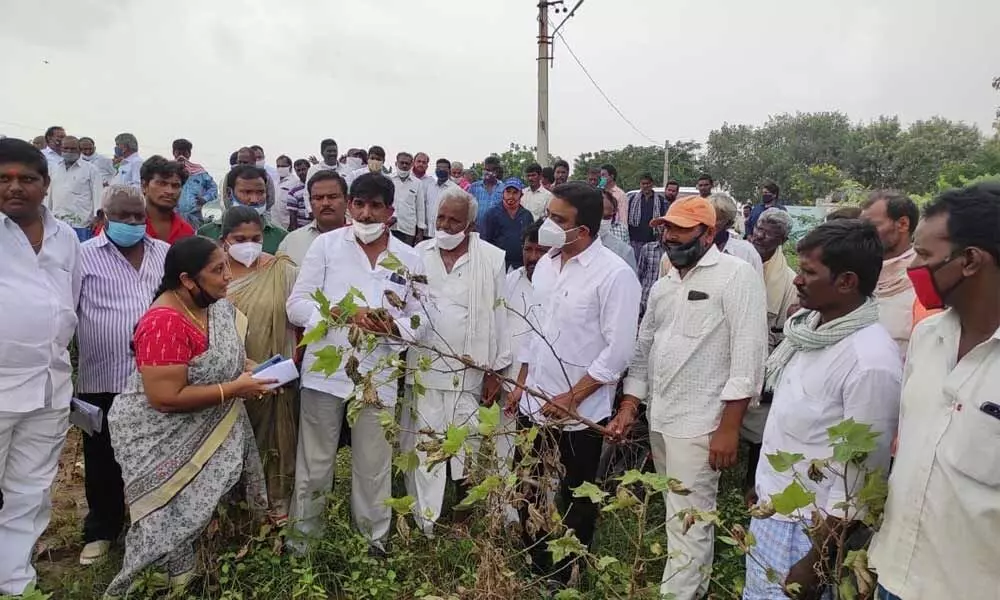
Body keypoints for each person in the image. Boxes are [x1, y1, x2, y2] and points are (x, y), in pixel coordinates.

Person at [102, 236, 275, 598]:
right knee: (165, 511)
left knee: (201, 511)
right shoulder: (163, 322)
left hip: (209, 418)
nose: (228, 276)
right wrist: (234, 390)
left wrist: (251, 370)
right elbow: (166, 397)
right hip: (158, 435)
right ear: (187, 280)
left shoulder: (214, 307)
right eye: (217, 270)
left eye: (226, 265)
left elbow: (217, 360)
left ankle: (198, 573)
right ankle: (155, 583)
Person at [618, 196, 767, 600]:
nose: (670, 236)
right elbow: (645, 345)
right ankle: (687, 586)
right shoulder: (666, 283)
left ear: (709, 233)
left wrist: (729, 428)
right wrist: (631, 403)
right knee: (676, 514)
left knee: (690, 519)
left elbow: (749, 355)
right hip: (662, 418)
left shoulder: (735, 276)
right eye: (667, 229)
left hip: (702, 422)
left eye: (681, 229)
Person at [745, 220, 901, 599]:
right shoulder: (808, 330)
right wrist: (762, 483)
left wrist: (816, 560)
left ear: (846, 282)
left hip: (808, 530)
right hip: (776, 508)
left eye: (809, 272)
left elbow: (859, 479)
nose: (797, 280)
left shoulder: (868, 362)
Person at [869, 183, 1000, 600]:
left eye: (924, 257)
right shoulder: (927, 337)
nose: (913, 269)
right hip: (894, 574)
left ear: (970, 261)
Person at [505, 182, 640, 585]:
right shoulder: (546, 264)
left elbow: (617, 354)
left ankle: (567, 575)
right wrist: (522, 383)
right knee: (529, 487)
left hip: (579, 415)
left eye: (557, 219)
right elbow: (535, 331)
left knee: (574, 496)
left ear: (583, 230)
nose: (547, 224)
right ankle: (535, 562)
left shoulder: (615, 276)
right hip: (534, 404)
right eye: (548, 214)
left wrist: (572, 398)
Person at [286, 172, 425, 553]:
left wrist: (391, 325)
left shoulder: (410, 257)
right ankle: (303, 544)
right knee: (315, 463)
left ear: (390, 212)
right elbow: (297, 305)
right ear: (350, 207)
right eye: (359, 205)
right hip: (325, 372)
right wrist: (338, 314)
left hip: (377, 375)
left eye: (375, 206)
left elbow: (421, 320)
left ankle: (373, 543)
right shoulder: (326, 247)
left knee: (373, 464)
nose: (365, 213)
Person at [0, 139, 81, 596]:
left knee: (30, 493)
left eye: (27, 179)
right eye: (4, 179)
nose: (16, 188)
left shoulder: (65, 237)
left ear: (45, 186)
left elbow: (66, 304)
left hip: (49, 386)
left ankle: (15, 582)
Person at [75, 185, 169, 566]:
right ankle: (102, 530)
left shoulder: (164, 254)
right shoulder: (82, 257)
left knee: (155, 453)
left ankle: (151, 527)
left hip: (157, 376)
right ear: (103, 218)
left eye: (137, 217)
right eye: (122, 217)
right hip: (102, 376)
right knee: (102, 458)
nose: (132, 223)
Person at [407, 189, 509, 535]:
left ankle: (463, 518)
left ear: (470, 224)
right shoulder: (418, 254)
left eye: (454, 220)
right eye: (441, 218)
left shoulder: (492, 259)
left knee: (467, 446)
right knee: (425, 447)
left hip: (470, 371)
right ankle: (427, 523)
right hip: (423, 370)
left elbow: (500, 317)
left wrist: (495, 370)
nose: (446, 226)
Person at [221, 206, 300, 519]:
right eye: (240, 238)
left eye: (255, 237)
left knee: (275, 438)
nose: (249, 244)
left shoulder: (281, 270)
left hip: (274, 374)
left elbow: (300, 320)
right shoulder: (211, 272)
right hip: (228, 375)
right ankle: (234, 511)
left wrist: (290, 366)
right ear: (224, 239)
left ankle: (276, 506)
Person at [743, 207, 798, 497]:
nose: (760, 235)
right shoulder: (737, 260)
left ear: (782, 239)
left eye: (769, 233)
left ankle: (753, 485)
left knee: (758, 424)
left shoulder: (788, 280)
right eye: (759, 228)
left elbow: (786, 330)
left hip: (766, 355)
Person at [498, 219, 548, 498]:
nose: (533, 258)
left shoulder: (557, 287)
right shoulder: (509, 281)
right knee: (505, 446)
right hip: (507, 381)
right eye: (529, 249)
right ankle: (507, 510)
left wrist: (524, 384)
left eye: (541, 251)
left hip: (543, 389)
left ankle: (538, 509)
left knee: (538, 455)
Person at [860, 190, 920, 358]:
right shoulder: (856, 273)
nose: (863, 233)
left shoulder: (925, 277)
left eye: (871, 226)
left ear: (902, 224)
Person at [199, 165, 288, 254]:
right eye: (247, 192)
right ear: (230, 193)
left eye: (260, 192)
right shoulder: (206, 233)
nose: (254, 200)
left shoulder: (281, 236)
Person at [278, 170, 348, 265]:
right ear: (310, 203)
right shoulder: (291, 242)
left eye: (333, 197)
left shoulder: (364, 238)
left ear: (347, 200)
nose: (325, 203)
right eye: (318, 198)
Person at [48, 135, 104, 241]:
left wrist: (97, 217)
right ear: (61, 149)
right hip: (57, 222)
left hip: (81, 224)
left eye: (72, 149)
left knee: (81, 255)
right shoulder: (54, 168)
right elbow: (49, 194)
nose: (69, 151)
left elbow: (98, 194)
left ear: (79, 150)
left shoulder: (91, 169)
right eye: (66, 148)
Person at [480, 177, 535, 271]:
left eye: (515, 192)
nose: (511, 196)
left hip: (520, 266)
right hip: (497, 265)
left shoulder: (527, 215)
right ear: (503, 193)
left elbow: (530, 241)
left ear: (521, 195)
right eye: (508, 191)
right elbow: (484, 242)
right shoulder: (492, 214)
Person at [708, 192, 763, 276]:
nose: (708, 224)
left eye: (715, 219)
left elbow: (756, 286)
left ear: (729, 223)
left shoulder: (746, 252)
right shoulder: (693, 248)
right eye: (707, 217)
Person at [172, 138, 218, 230]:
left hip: (195, 217)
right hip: (173, 215)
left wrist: (205, 198)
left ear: (189, 154)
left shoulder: (200, 172)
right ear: (174, 153)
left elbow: (214, 188)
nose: (181, 156)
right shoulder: (168, 171)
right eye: (178, 153)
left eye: (184, 153)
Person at [626, 173, 669, 258]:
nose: (645, 186)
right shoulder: (632, 200)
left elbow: (664, 220)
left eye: (648, 183)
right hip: (635, 240)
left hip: (652, 241)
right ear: (640, 184)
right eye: (643, 183)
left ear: (652, 184)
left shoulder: (660, 201)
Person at [417, 157, 459, 238]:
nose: (441, 170)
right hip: (427, 232)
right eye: (439, 167)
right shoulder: (429, 186)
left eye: (444, 168)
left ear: (449, 170)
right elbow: (422, 207)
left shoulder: (455, 189)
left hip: (444, 233)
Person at [599, 190, 638, 271]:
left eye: (606, 218)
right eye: (596, 217)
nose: (600, 222)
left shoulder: (623, 251)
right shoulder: (570, 248)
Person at [303, 138, 350, 205]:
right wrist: (311, 212)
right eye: (329, 151)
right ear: (322, 153)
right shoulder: (314, 170)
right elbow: (307, 193)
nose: (332, 153)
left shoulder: (347, 169)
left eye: (334, 151)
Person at [389, 151, 422, 245]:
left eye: (407, 163)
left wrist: (420, 232)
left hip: (408, 228)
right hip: (390, 226)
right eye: (401, 163)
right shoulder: (388, 180)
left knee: (405, 257)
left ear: (411, 165)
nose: (404, 165)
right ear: (396, 163)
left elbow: (420, 209)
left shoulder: (417, 183)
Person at [469, 155, 505, 223]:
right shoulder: (474, 187)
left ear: (496, 172)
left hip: (497, 230)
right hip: (476, 229)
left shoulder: (503, 188)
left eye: (491, 170)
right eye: (486, 170)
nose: (488, 172)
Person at [280, 158, 312, 232]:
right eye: (298, 170)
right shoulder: (293, 192)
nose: (301, 172)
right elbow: (293, 217)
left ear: (309, 169)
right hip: (303, 230)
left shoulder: (318, 187)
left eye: (304, 169)